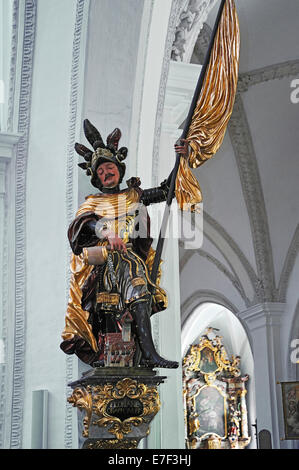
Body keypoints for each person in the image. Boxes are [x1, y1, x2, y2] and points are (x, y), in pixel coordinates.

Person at [60, 119, 188, 369]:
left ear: (119, 169)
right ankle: (116, 356)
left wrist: (181, 160)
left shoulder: (133, 196)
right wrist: (107, 232)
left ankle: (146, 353)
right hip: (102, 264)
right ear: (96, 179)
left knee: (136, 282)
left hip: (129, 262)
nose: (106, 174)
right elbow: (80, 226)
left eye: (109, 168)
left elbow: (167, 190)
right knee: (116, 300)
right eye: (101, 172)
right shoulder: (92, 204)